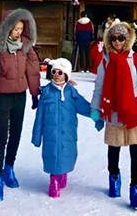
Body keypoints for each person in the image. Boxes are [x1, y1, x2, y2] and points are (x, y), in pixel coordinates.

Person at [91, 22, 137, 210]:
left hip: (133, 111)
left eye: (121, 37)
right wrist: (96, 110)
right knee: (114, 149)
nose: (118, 41)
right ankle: (114, 178)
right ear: (109, 40)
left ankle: (136, 189)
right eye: (114, 38)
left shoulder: (135, 59)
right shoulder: (105, 61)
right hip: (113, 110)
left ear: (127, 39)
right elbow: (99, 88)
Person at [0, 9, 41, 202]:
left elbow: (32, 70)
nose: (18, 32)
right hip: (2, 97)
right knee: (1, 135)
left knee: (16, 134)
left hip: (19, 97)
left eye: (21, 29)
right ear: (7, 28)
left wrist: (34, 93)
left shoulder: (25, 46)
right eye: (15, 28)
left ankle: (9, 168)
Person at [31, 58, 92, 198]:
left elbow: (84, 107)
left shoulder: (71, 92)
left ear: (66, 75)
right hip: (50, 133)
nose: (56, 74)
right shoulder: (46, 93)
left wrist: (98, 115)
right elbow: (39, 116)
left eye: (60, 72)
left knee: (66, 155)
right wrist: (36, 136)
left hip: (68, 133)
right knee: (52, 155)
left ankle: (62, 173)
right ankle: (54, 181)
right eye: (54, 71)